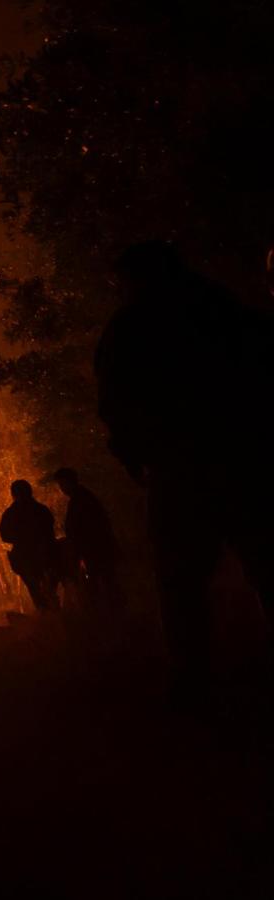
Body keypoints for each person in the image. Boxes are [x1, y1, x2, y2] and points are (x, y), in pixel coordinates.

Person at [96, 241, 274, 698]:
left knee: (181, 583)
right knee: (264, 563)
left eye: (123, 282)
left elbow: (116, 406)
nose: (120, 290)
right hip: (244, 461)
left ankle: (194, 683)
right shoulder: (224, 309)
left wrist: (136, 461)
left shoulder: (131, 328)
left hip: (182, 471)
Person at [52, 467, 122, 612]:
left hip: (96, 550)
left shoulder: (82, 499)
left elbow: (89, 528)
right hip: (93, 550)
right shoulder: (81, 498)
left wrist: (80, 550)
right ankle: (109, 612)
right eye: (60, 485)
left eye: (63, 484)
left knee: (103, 582)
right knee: (102, 582)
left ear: (71, 482)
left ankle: (110, 614)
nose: (62, 489)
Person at [0, 480, 60, 612]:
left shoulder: (10, 513)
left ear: (13, 494)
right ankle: (56, 616)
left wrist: (21, 539)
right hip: (45, 555)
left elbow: (4, 536)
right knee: (49, 589)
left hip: (26, 558)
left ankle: (48, 617)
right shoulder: (41, 509)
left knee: (36, 590)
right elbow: (50, 530)